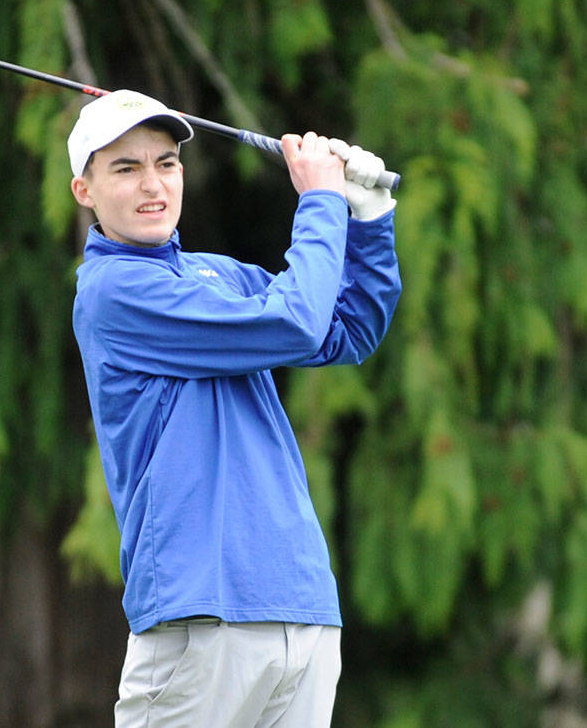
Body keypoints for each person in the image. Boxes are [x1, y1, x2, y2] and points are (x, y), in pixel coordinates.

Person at [67, 89, 401, 727]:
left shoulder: (218, 277)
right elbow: (298, 324)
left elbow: (346, 330)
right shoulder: (114, 293)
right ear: (84, 190)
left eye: (166, 163)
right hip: (204, 618)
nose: (152, 184)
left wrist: (368, 220)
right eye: (125, 168)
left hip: (299, 617)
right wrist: (322, 201)